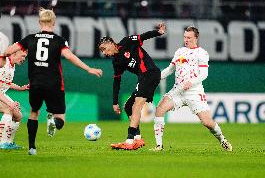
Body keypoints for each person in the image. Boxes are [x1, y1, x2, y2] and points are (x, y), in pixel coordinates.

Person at [4, 8, 103, 155]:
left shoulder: (29, 38)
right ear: (53, 23)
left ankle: (32, 148)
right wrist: (88, 69)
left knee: (34, 113)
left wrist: (3, 54)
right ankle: (54, 122)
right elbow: (69, 56)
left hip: (35, 83)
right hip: (54, 84)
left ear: (39, 22)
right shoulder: (59, 40)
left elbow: (9, 51)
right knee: (61, 119)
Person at [150, 26, 232, 151]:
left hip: (194, 92)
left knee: (207, 122)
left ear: (196, 38)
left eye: (189, 37)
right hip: (177, 90)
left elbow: (204, 74)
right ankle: (159, 145)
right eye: (185, 37)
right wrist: (155, 78)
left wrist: (191, 82)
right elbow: (170, 69)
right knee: (160, 109)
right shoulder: (179, 51)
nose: (186, 40)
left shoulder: (202, 53)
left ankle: (222, 139)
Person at [99, 23, 166, 150]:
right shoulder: (116, 62)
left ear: (111, 43)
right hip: (143, 77)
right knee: (128, 106)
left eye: (104, 48)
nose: (104, 53)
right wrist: (114, 102)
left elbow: (143, 36)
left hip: (150, 72)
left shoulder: (127, 42)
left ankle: (129, 140)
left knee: (137, 104)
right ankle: (137, 139)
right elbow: (117, 82)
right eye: (102, 51)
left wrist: (158, 32)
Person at [0, 49, 28, 149]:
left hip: (1, 93)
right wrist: (9, 103)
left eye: (25, 56)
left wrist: (21, 88)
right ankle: (2, 143)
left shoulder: (12, 65)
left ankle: (9, 143)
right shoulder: (3, 64)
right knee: (8, 109)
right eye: (22, 56)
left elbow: (6, 83)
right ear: (14, 53)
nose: (24, 59)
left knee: (18, 116)